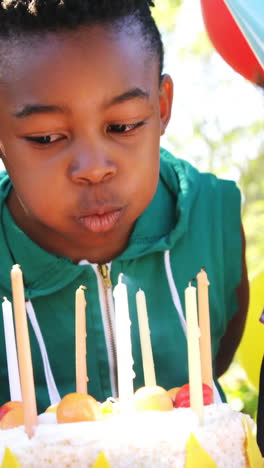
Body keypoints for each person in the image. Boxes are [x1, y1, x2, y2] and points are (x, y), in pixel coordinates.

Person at [0, 0, 249, 412]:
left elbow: (213, 368)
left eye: (123, 126)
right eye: (45, 137)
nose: (94, 169)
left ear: (162, 106)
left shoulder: (213, 219)